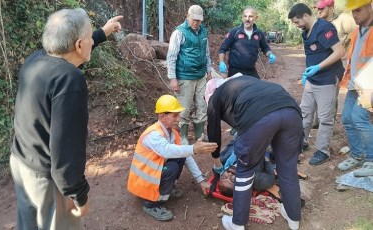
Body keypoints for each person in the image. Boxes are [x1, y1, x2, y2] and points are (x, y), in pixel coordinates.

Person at [10, 8, 123, 229]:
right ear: (79, 44)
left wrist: (102, 32)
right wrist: (79, 195)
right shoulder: (70, 81)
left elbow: (70, 48)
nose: (92, 41)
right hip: (47, 180)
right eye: (90, 37)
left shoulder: (36, 59)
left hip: (22, 162)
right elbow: (66, 149)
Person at [205, 76, 303, 230]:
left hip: (261, 118)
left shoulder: (215, 97)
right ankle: (293, 218)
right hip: (291, 111)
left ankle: (237, 224)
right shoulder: (242, 83)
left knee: (244, 171)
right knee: (288, 168)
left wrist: (216, 159)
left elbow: (213, 133)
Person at [127, 95, 218, 221]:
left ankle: (166, 191)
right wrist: (194, 148)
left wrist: (201, 180)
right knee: (172, 167)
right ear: (162, 116)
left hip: (151, 177)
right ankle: (152, 204)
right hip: (144, 183)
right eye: (174, 115)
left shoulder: (172, 133)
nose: (178, 118)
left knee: (180, 157)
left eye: (178, 114)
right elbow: (166, 150)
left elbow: (185, 155)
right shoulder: (153, 134)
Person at [288, 3, 345, 166]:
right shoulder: (305, 32)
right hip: (312, 80)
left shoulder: (324, 28)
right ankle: (302, 142)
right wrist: (308, 72)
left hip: (327, 78)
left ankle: (323, 151)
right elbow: (313, 55)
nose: (296, 25)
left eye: (297, 22)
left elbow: (340, 52)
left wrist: (319, 67)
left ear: (305, 16)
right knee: (304, 113)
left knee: (325, 118)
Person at [166, 5, 212, 145]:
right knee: (184, 109)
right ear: (187, 16)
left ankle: (200, 135)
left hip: (201, 76)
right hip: (184, 76)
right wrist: (173, 78)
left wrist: (209, 70)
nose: (195, 23)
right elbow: (171, 56)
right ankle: (184, 137)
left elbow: (207, 53)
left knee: (202, 106)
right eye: (193, 19)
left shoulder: (203, 32)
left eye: (198, 20)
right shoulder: (179, 32)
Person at [338, 0, 373, 177]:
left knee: (359, 118)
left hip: (369, 85)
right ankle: (357, 154)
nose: (355, 15)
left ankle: (371, 161)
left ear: (370, 7)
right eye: (352, 12)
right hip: (355, 83)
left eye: (358, 10)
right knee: (347, 118)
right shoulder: (356, 33)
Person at [312, 0, 357, 129]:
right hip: (319, 64)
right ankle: (317, 120)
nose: (318, 11)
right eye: (317, 8)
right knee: (316, 92)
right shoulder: (317, 22)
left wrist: (348, 49)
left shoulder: (343, 20)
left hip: (335, 65)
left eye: (322, 8)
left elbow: (360, 30)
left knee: (331, 96)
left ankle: (328, 124)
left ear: (331, 7)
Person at [218, 7, 276, 78]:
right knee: (237, 89)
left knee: (257, 88)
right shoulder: (234, 32)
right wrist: (221, 62)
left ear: (256, 18)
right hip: (235, 71)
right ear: (242, 17)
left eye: (250, 16)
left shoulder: (259, 33)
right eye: (245, 16)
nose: (247, 19)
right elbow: (222, 49)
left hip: (251, 70)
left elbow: (265, 48)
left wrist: (270, 55)